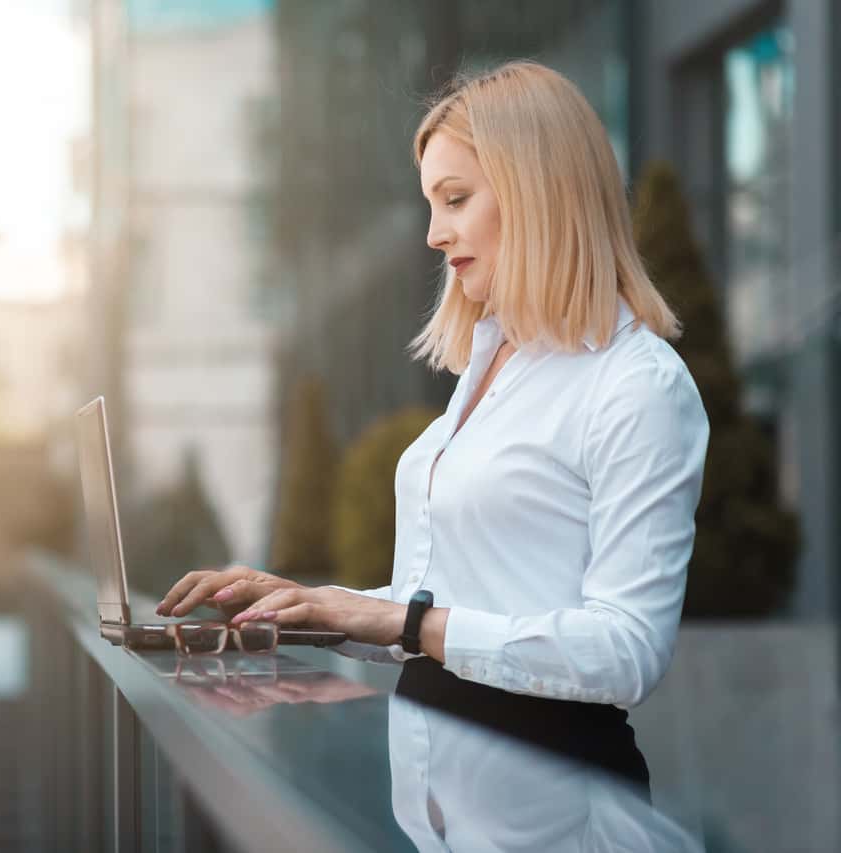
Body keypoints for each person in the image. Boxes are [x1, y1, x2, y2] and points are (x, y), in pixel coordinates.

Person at [155, 60, 710, 793]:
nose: (433, 235)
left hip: (555, 793)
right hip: (444, 778)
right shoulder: (491, 361)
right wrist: (314, 607)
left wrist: (401, 622)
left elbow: (626, 650)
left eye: (455, 199)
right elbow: (456, 601)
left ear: (536, 193)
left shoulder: (636, 385)